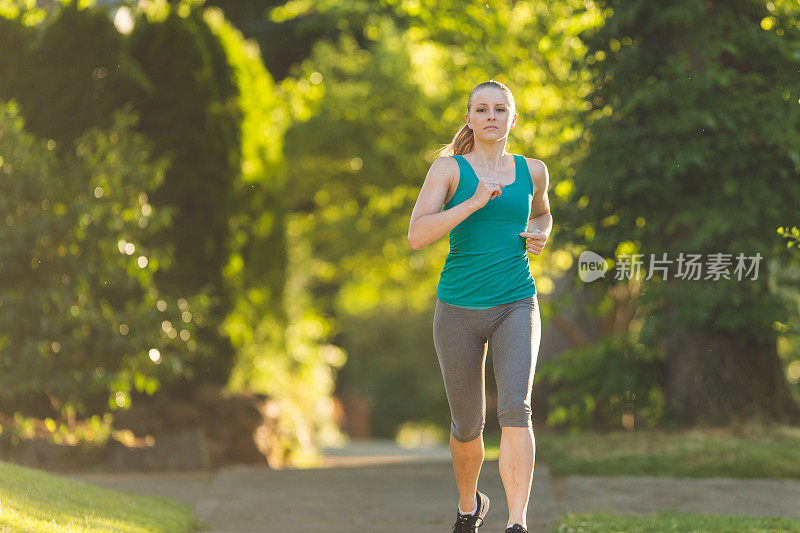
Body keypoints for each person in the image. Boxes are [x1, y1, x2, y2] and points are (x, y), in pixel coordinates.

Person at [407, 79, 551, 533]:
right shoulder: (448, 170)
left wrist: (542, 232)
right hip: (458, 310)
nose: (491, 116)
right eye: (482, 109)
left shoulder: (534, 171)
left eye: (500, 109)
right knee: (468, 426)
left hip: (516, 302)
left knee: (516, 410)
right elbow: (417, 235)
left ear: (513, 118)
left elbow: (543, 211)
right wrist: (472, 202)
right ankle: (469, 508)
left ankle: (517, 523)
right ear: (469, 118)